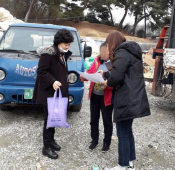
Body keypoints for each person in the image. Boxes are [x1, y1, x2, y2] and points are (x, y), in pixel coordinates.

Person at [101, 31, 151, 170]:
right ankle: (129, 162)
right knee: (127, 131)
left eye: (108, 44)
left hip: (126, 98)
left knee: (122, 132)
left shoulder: (121, 53)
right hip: (133, 97)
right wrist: (105, 73)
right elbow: (123, 72)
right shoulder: (130, 52)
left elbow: (116, 78)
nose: (108, 47)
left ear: (112, 43)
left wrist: (107, 82)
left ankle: (122, 165)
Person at [33, 29, 74, 159]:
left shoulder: (63, 54)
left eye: (69, 43)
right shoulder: (48, 54)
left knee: (55, 118)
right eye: (65, 43)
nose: (67, 46)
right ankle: (46, 147)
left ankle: (51, 140)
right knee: (49, 120)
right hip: (49, 92)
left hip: (59, 92)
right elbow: (41, 72)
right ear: (58, 42)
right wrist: (53, 81)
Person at [80, 42, 114, 152]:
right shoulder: (96, 60)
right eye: (101, 50)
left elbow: (116, 79)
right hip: (95, 95)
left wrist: (105, 77)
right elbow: (90, 73)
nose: (102, 53)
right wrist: (84, 76)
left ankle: (106, 143)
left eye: (105, 50)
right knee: (94, 120)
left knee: (107, 121)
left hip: (107, 97)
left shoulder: (114, 63)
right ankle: (94, 140)